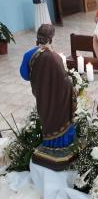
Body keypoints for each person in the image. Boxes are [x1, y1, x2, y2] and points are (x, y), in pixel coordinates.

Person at [20, 24, 76, 152]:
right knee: (61, 120)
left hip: (43, 96)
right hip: (60, 99)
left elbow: (24, 75)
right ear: (50, 39)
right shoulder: (54, 56)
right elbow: (65, 80)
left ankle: (50, 147)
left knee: (47, 118)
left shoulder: (28, 55)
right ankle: (64, 147)